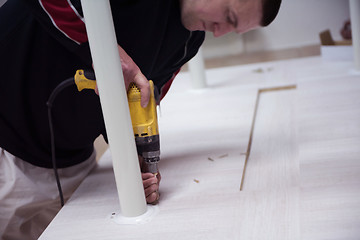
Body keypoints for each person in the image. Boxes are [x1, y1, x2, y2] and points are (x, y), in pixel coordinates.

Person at [0, 0, 282, 239]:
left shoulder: (189, 41)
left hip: (70, 162)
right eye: (229, 17)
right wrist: (105, 52)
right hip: (6, 147)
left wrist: (138, 164)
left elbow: (140, 101)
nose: (220, 33)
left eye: (234, 29)